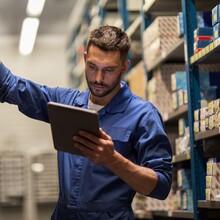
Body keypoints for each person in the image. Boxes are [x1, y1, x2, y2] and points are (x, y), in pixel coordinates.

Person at [0, 25, 172, 220]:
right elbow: (10, 85)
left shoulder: (143, 115)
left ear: (125, 67)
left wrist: (113, 159)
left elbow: (161, 186)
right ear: (84, 59)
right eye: (92, 67)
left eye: (109, 70)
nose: (98, 78)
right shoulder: (65, 103)